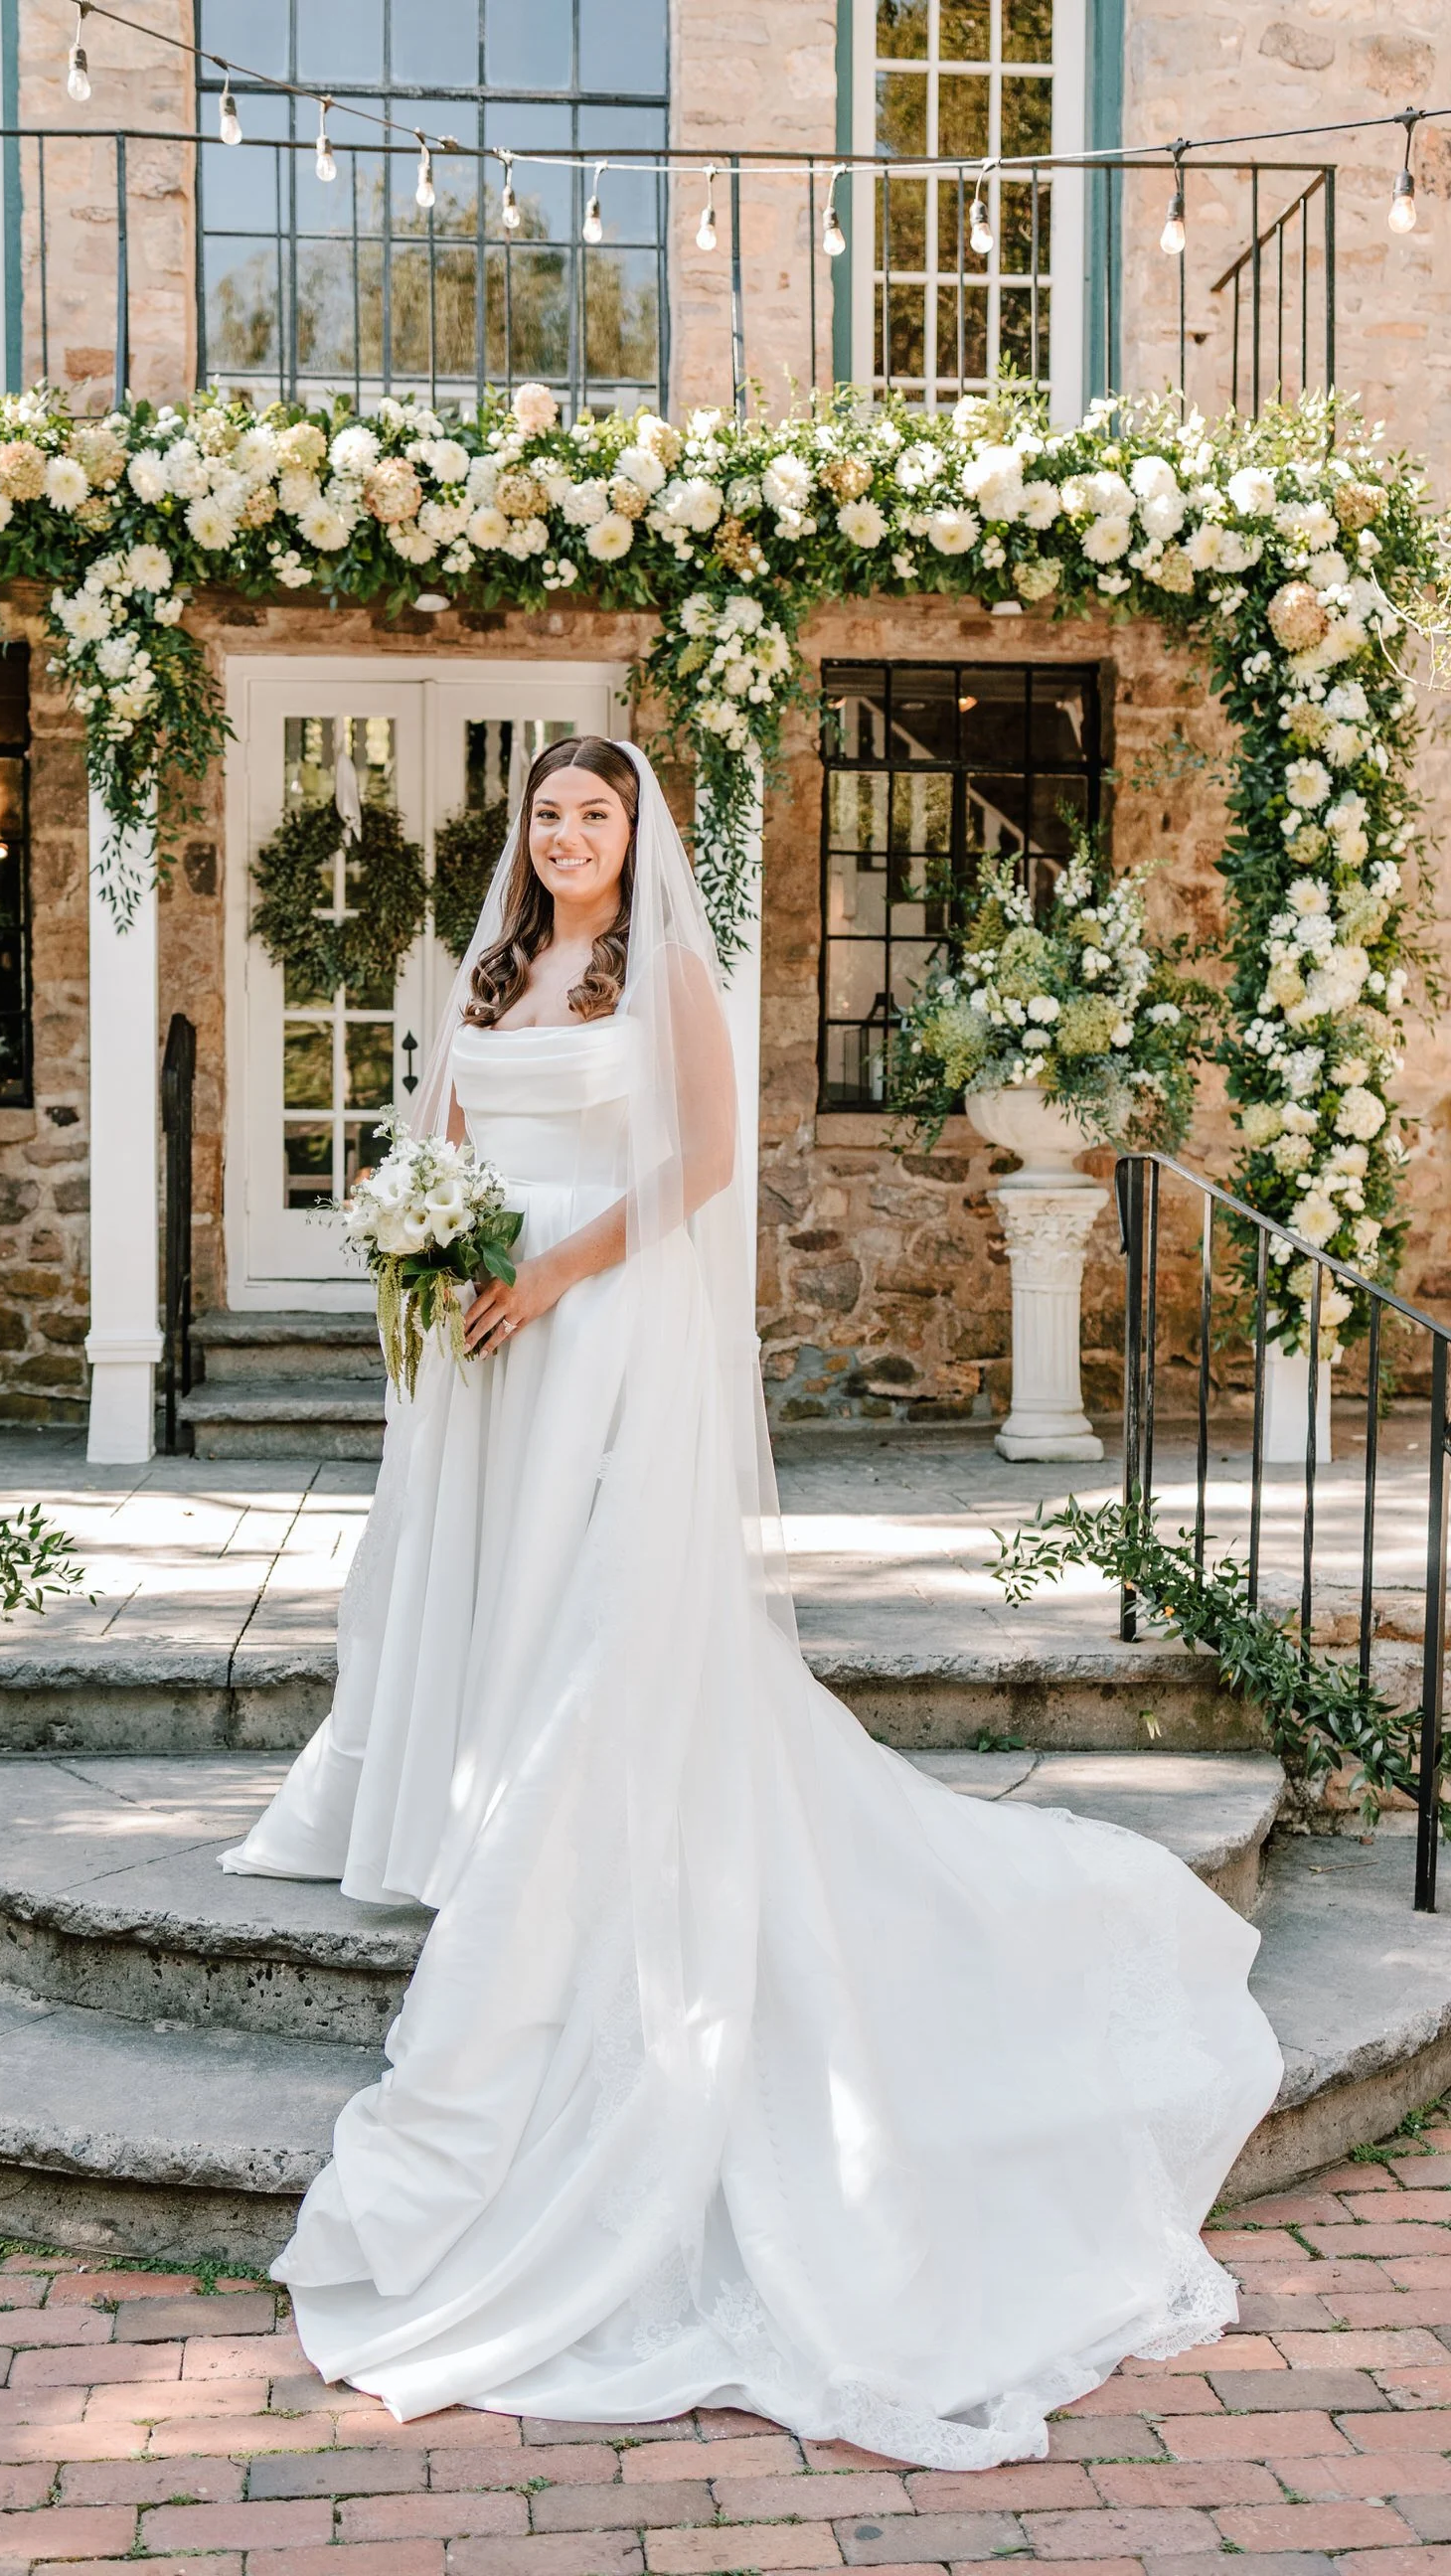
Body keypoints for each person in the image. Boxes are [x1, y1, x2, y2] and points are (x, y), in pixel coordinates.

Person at [223, 734, 1282, 2466]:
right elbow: (450, 1125)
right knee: (484, 1577)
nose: (570, 836)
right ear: (530, 838)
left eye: (596, 812)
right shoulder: (493, 965)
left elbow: (704, 1163)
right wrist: (438, 1245)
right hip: (486, 1317)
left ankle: (550, 1832)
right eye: (550, 816)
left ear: (636, 831)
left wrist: (555, 1272)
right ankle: (455, 1798)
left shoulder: (671, 976)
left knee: (592, 1607)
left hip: (605, 1310)